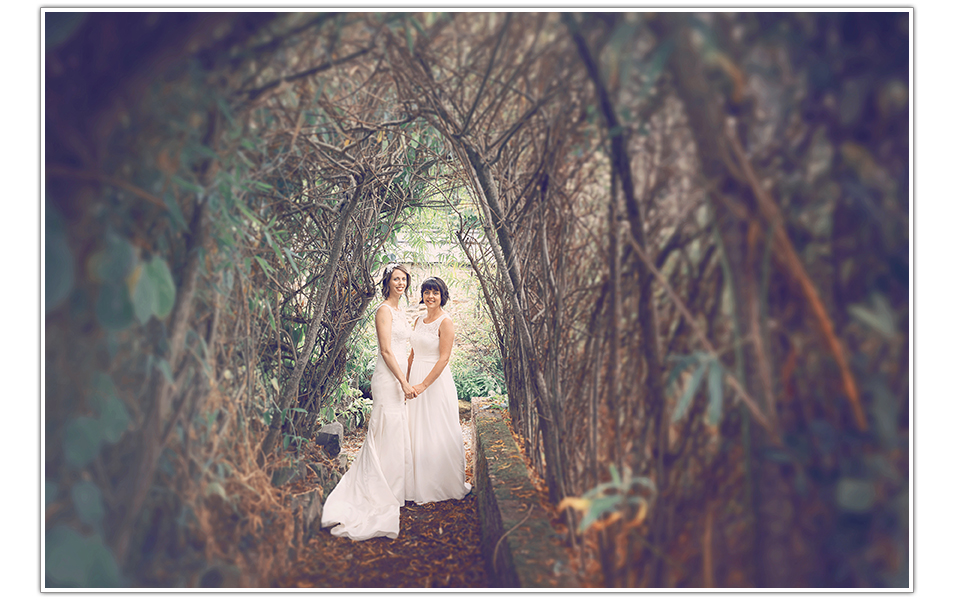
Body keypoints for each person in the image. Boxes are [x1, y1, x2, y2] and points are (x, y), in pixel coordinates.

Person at [320, 264, 416, 540]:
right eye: (396, 279)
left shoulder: (401, 311)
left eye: (404, 279)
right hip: (388, 377)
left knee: (397, 429)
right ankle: (378, 488)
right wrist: (402, 381)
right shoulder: (383, 310)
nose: (400, 283)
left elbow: (405, 349)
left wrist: (410, 377)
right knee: (385, 428)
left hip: (401, 376)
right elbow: (386, 350)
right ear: (387, 283)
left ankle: (396, 486)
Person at [405, 277, 472, 503]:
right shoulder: (417, 320)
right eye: (427, 292)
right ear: (422, 295)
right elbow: (412, 354)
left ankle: (440, 483)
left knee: (435, 427)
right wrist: (406, 382)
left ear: (442, 296)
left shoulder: (446, 322)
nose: (430, 297)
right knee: (416, 427)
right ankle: (416, 482)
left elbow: (444, 358)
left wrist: (423, 385)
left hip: (435, 381)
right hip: (415, 376)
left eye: (435, 292)